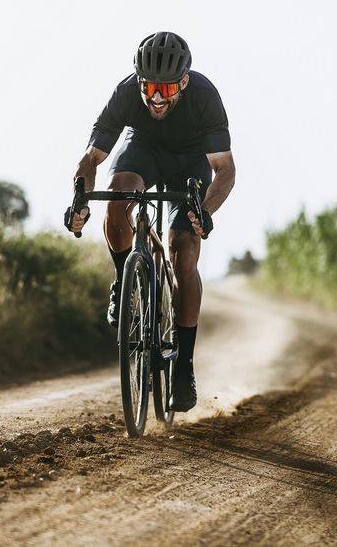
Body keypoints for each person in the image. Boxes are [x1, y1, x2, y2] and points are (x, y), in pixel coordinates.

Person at [66, 31, 236, 412]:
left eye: (167, 87)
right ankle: (123, 277)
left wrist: (204, 211)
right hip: (142, 148)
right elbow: (90, 159)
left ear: (185, 82)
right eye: (150, 87)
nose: (157, 97)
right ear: (139, 81)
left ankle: (184, 368)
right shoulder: (126, 92)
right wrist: (80, 197)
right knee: (118, 193)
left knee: (184, 252)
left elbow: (224, 170)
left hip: (190, 162)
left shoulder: (205, 98)